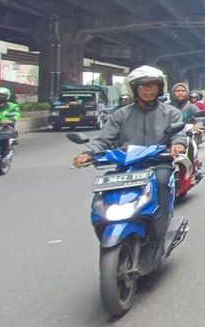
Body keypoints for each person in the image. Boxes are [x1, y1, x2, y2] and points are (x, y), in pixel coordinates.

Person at [73, 66, 186, 239]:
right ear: (134, 89)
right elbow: (104, 140)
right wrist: (88, 153)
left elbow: (179, 134)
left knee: (163, 182)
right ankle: (104, 225)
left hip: (157, 164)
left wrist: (177, 144)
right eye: (143, 86)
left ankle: (162, 226)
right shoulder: (120, 115)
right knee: (104, 193)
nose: (148, 90)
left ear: (159, 88)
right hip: (125, 168)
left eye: (153, 85)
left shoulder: (171, 113)